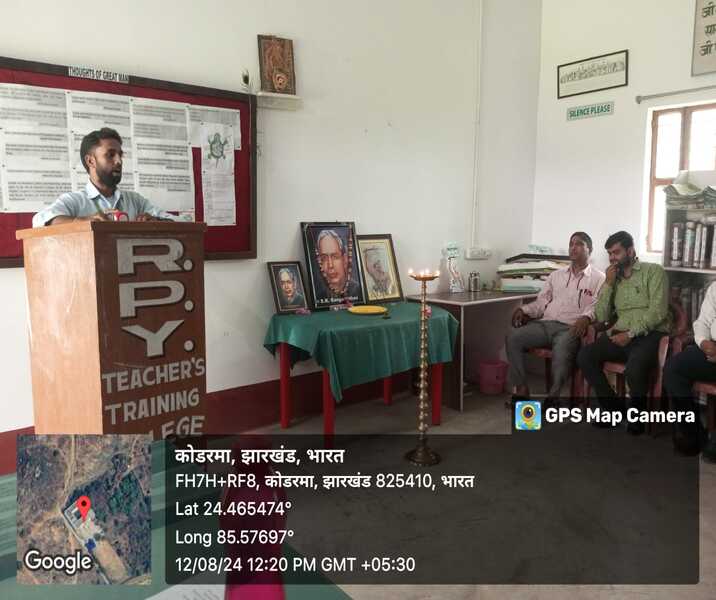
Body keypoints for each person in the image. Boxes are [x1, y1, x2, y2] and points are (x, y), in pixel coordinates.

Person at [577, 230, 671, 435]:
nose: (612, 258)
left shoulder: (653, 271)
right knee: (585, 356)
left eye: (616, 252)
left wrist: (631, 334)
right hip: (619, 334)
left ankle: (636, 416)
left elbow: (658, 312)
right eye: (610, 253)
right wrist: (609, 285)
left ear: (630, 251)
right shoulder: (613, 279)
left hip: (648, 334)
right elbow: (603, 316)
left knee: (634, 368)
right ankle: (614, 409)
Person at [506, 231, 605, 403]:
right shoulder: (556, 275)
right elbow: (542, 302)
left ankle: (553, 397)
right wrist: (524, 310)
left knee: (562, 352)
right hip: (545, 324)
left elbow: (598, 305)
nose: (573, 247)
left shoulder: (599, 278)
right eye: (571, 244)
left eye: (579, 244)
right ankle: (521, 388)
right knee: (513, 337)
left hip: (570, 328)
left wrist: (586, 318)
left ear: (590, 249)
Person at [32, 127, 177, 227]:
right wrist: (83, 221)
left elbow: (176, 220)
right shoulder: (75, 201)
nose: (119, 161)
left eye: (120, 155)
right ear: (91, 161)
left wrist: (157, 221)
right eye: (110, 155)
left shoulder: (135, 201)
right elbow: (39, 220)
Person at [664, 282, 716, 459]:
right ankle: (693, 434)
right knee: (674, 369)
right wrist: (703, 342)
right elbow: (702, 322)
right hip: (711, 347)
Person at [314, 229, 361, 301]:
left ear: (345, 259)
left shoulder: (359, 291)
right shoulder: (319, 297)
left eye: (335, 257)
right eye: (324, 258)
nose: (330, 265)